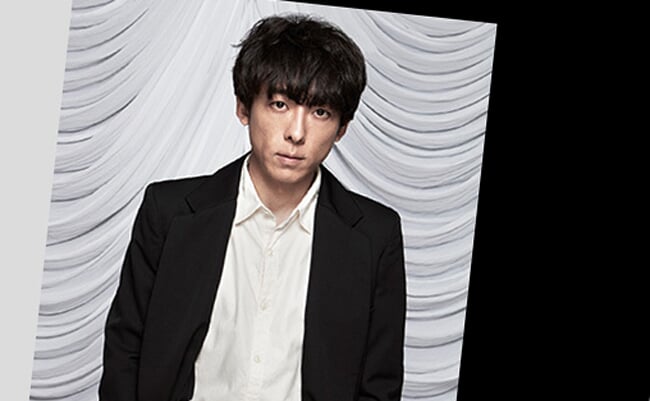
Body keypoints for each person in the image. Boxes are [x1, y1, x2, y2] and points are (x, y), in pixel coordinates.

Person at [99, 13, 406, 401]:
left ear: (342, 128)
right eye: (279, 104)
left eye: (320, 112)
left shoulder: (374, 236)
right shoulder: (169, 213)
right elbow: (126, 350)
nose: (296, 133)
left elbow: (379, 385)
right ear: (244, 108)